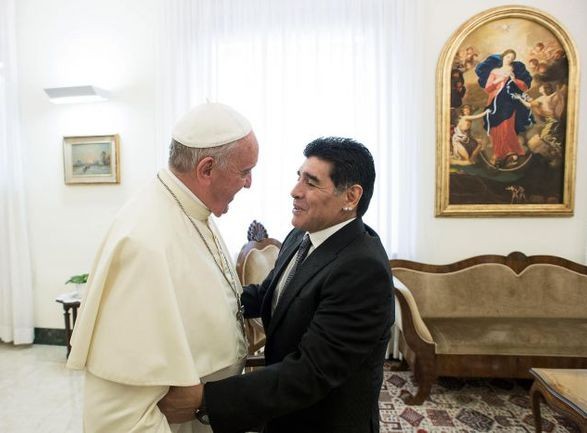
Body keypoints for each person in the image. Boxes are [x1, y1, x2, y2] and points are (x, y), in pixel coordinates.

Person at [158, 137, 394, 433]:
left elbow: (311, 372)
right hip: (285, 413)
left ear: (351, 197)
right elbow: (270, 295)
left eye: (311, 182)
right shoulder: (302, 236)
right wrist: (199, 299)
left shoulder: (362, 269)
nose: (294, 191)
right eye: (298, 177)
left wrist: (207, 399)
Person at [66, 102, 259, 433]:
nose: (249, 183)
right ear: (207, 169)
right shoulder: (143, 242)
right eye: (244, 171)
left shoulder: (193, 209)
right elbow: (120, 417)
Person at [475, 49, 534, 166]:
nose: (510, 60)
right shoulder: (495, 71)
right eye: (508, 57)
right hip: (495, 101)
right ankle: (498, 153)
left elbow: (523, 88)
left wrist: (514, 80)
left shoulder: (513, 71)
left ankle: (510, 151)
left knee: (507, 125)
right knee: (496, 127)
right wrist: (498, 80)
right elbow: (488, 88)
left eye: (512, 58)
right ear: (503, 57)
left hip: (509, 101)